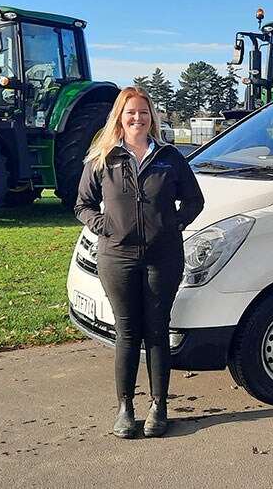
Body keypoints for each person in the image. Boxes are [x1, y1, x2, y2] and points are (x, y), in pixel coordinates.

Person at [75, 86, 204, 438]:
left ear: (152, 117)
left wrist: (173, 224)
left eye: (144, 112)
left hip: (163, 257)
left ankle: (159, 406)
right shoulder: (103, 158)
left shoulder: (169, 157)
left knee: (158, 330)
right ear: (120, 116)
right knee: (128, 333)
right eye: (131, 112)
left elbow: (194, 200)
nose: (137, 118)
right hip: (117, 257)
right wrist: (105, 227)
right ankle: (125, 409)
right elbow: (82, 205)